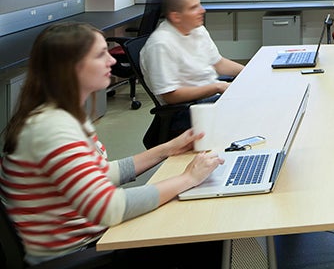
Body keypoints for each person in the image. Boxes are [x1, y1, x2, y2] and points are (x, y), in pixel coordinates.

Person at [0, 22, 224, 267]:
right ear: (69, 68)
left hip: (94, 238)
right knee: (205, 235)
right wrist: (188, 178)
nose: (111, 61)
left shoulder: (62, 114)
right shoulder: (52, 129)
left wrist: (168, 149)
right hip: (81, 255)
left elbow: (101, 173)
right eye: (99, 55)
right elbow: (110, 208)